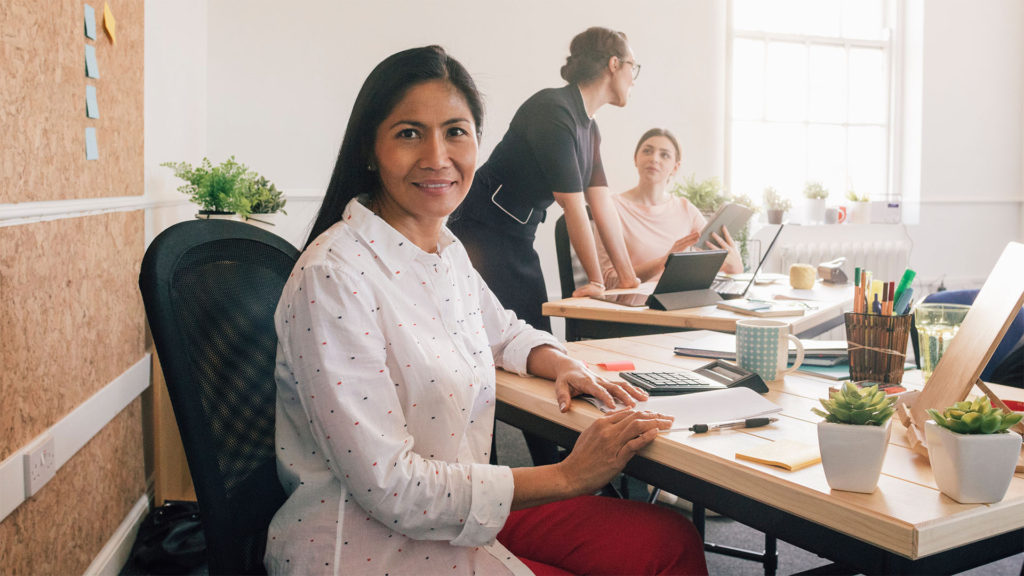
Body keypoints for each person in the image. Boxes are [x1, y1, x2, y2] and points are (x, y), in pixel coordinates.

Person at [265, 46, 708, 576]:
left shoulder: (445, 251)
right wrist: (570, 475)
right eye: (409, 133)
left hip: (453, 518)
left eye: (456, 132)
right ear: (370, 148)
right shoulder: (333, 276)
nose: (437, 157)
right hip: (373, 547)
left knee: (667, 540)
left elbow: (504, 333)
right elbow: (392, 486)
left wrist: (565, 363)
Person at [449, 26, 642, 334]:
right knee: (517, 336)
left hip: (518, 234)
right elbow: (572, 204)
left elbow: (602, 207)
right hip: (480, 229)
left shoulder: (590, 129)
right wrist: (595, 280)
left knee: (534, 335)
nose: (635, 78)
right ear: (615, 64)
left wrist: (628, 277)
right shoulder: (553, 110)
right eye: (635, 66)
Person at [595, 128, 743, 289]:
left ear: (675, 167)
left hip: (679, 303)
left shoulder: (686, 209)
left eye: (664, 155)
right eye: (647, 151)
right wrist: (664, 262)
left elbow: (715, 263)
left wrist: (734, 266)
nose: (654, 158)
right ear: (635, 159)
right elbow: (609, 281)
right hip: (632, 308)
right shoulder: (610, 208)